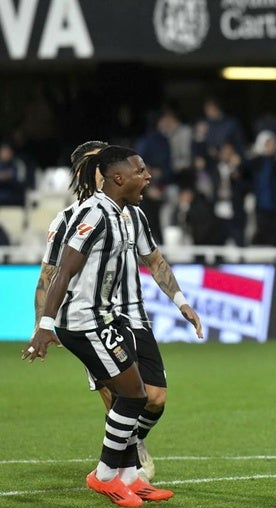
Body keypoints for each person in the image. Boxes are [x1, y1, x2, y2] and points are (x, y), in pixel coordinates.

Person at [34, 141, 204, 483]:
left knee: (154, 398)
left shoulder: (133, 214)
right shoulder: (70, 218)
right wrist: (44, 323)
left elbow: (154, 260)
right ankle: (120, 472)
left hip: (134, 316)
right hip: (91, 319)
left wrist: (181, 301)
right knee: (120, 397)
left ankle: (128, 448)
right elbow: (51, 273)